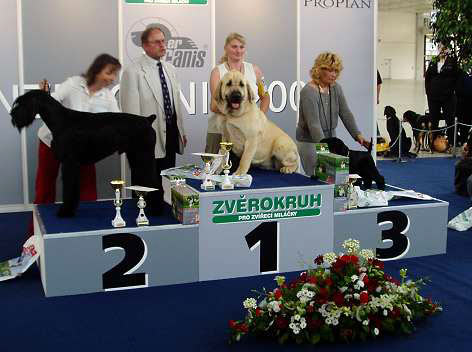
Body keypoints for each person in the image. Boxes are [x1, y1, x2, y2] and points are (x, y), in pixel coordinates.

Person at [36, 53, 121, 206]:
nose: (112, 78)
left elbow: (118, 121)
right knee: (45, 186)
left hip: (81, 147)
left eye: (115, 74)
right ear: (96, 71)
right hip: (50, 141)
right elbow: (53, 103)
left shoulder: (109, 98)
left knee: (87, 188)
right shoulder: (73, 83)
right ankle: (36, 229)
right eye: (109, 73)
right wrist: (44, 95)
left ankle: (86, 226)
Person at [120, 25, 187, 197]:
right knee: (146, 187)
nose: (162, 45)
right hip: (146, 138)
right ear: (145, 45)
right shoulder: (132, 72)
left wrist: (181, 130)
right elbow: (131, 115)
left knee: (166, 184)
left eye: (163, 41)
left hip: (171, 134)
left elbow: (175, 104)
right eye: (157, 42)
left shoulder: (170, 69)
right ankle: (142, 216)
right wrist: (136, 142)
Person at [296, 52, 369, 176]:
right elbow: (314, 125)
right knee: (317, 177)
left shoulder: (336, 88)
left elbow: (345, 113)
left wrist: (358, 136)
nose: (334, 75)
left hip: (330, 139)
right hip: (310, 141)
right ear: (319, 70)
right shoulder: (308, 92)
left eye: (336, 71)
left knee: (334, 177)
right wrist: (324, 150)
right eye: (330, 70)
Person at [205, 32, 270, 154]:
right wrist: (242, 115)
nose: (238, 50)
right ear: (226, 48)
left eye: (241, 47)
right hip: (219, 131)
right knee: (215, 170)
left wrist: (259, 117)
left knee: (246, 170)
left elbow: (265, 96)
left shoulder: (255, 70)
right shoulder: (217, 72)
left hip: (247, 132)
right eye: (234, 46)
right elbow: (214, 105)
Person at [425, 45, 461, 149]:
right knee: (434, 119)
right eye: (440, 47)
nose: (442, 50)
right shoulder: (433, 61)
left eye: (444, 48)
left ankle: (451, 142)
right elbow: (428, 77)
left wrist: (452, 90)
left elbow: (457, 78)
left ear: (448, 50)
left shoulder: (452, 61)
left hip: (448, 97)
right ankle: (433, 142)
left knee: (449, 119)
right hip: (433, 97)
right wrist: (428, 92)